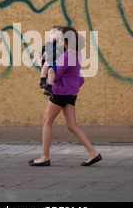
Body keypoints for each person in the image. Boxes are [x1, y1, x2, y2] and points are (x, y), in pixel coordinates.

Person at [29, 26, 102, 167]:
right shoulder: (77, 53)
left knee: (46, 122)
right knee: (72, 125)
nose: (59, 41)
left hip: (61, 92)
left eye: (61, 38)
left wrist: (40, 63)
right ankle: (93, 153)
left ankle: (44, 157)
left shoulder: (67, 56)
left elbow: (55, 77)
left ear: (66, 40)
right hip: (72, 92)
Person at [33, 27, 64, 97]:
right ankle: (43, 81)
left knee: (50, 70)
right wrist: (38, 56)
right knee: (45, 66)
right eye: (49, 34)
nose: (49, 36)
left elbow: (58, 54)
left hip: (55, 64)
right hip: (49, 62)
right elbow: (42, 51)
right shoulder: (47, 44)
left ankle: (49, 87)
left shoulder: (60, 45)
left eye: (52, 34)